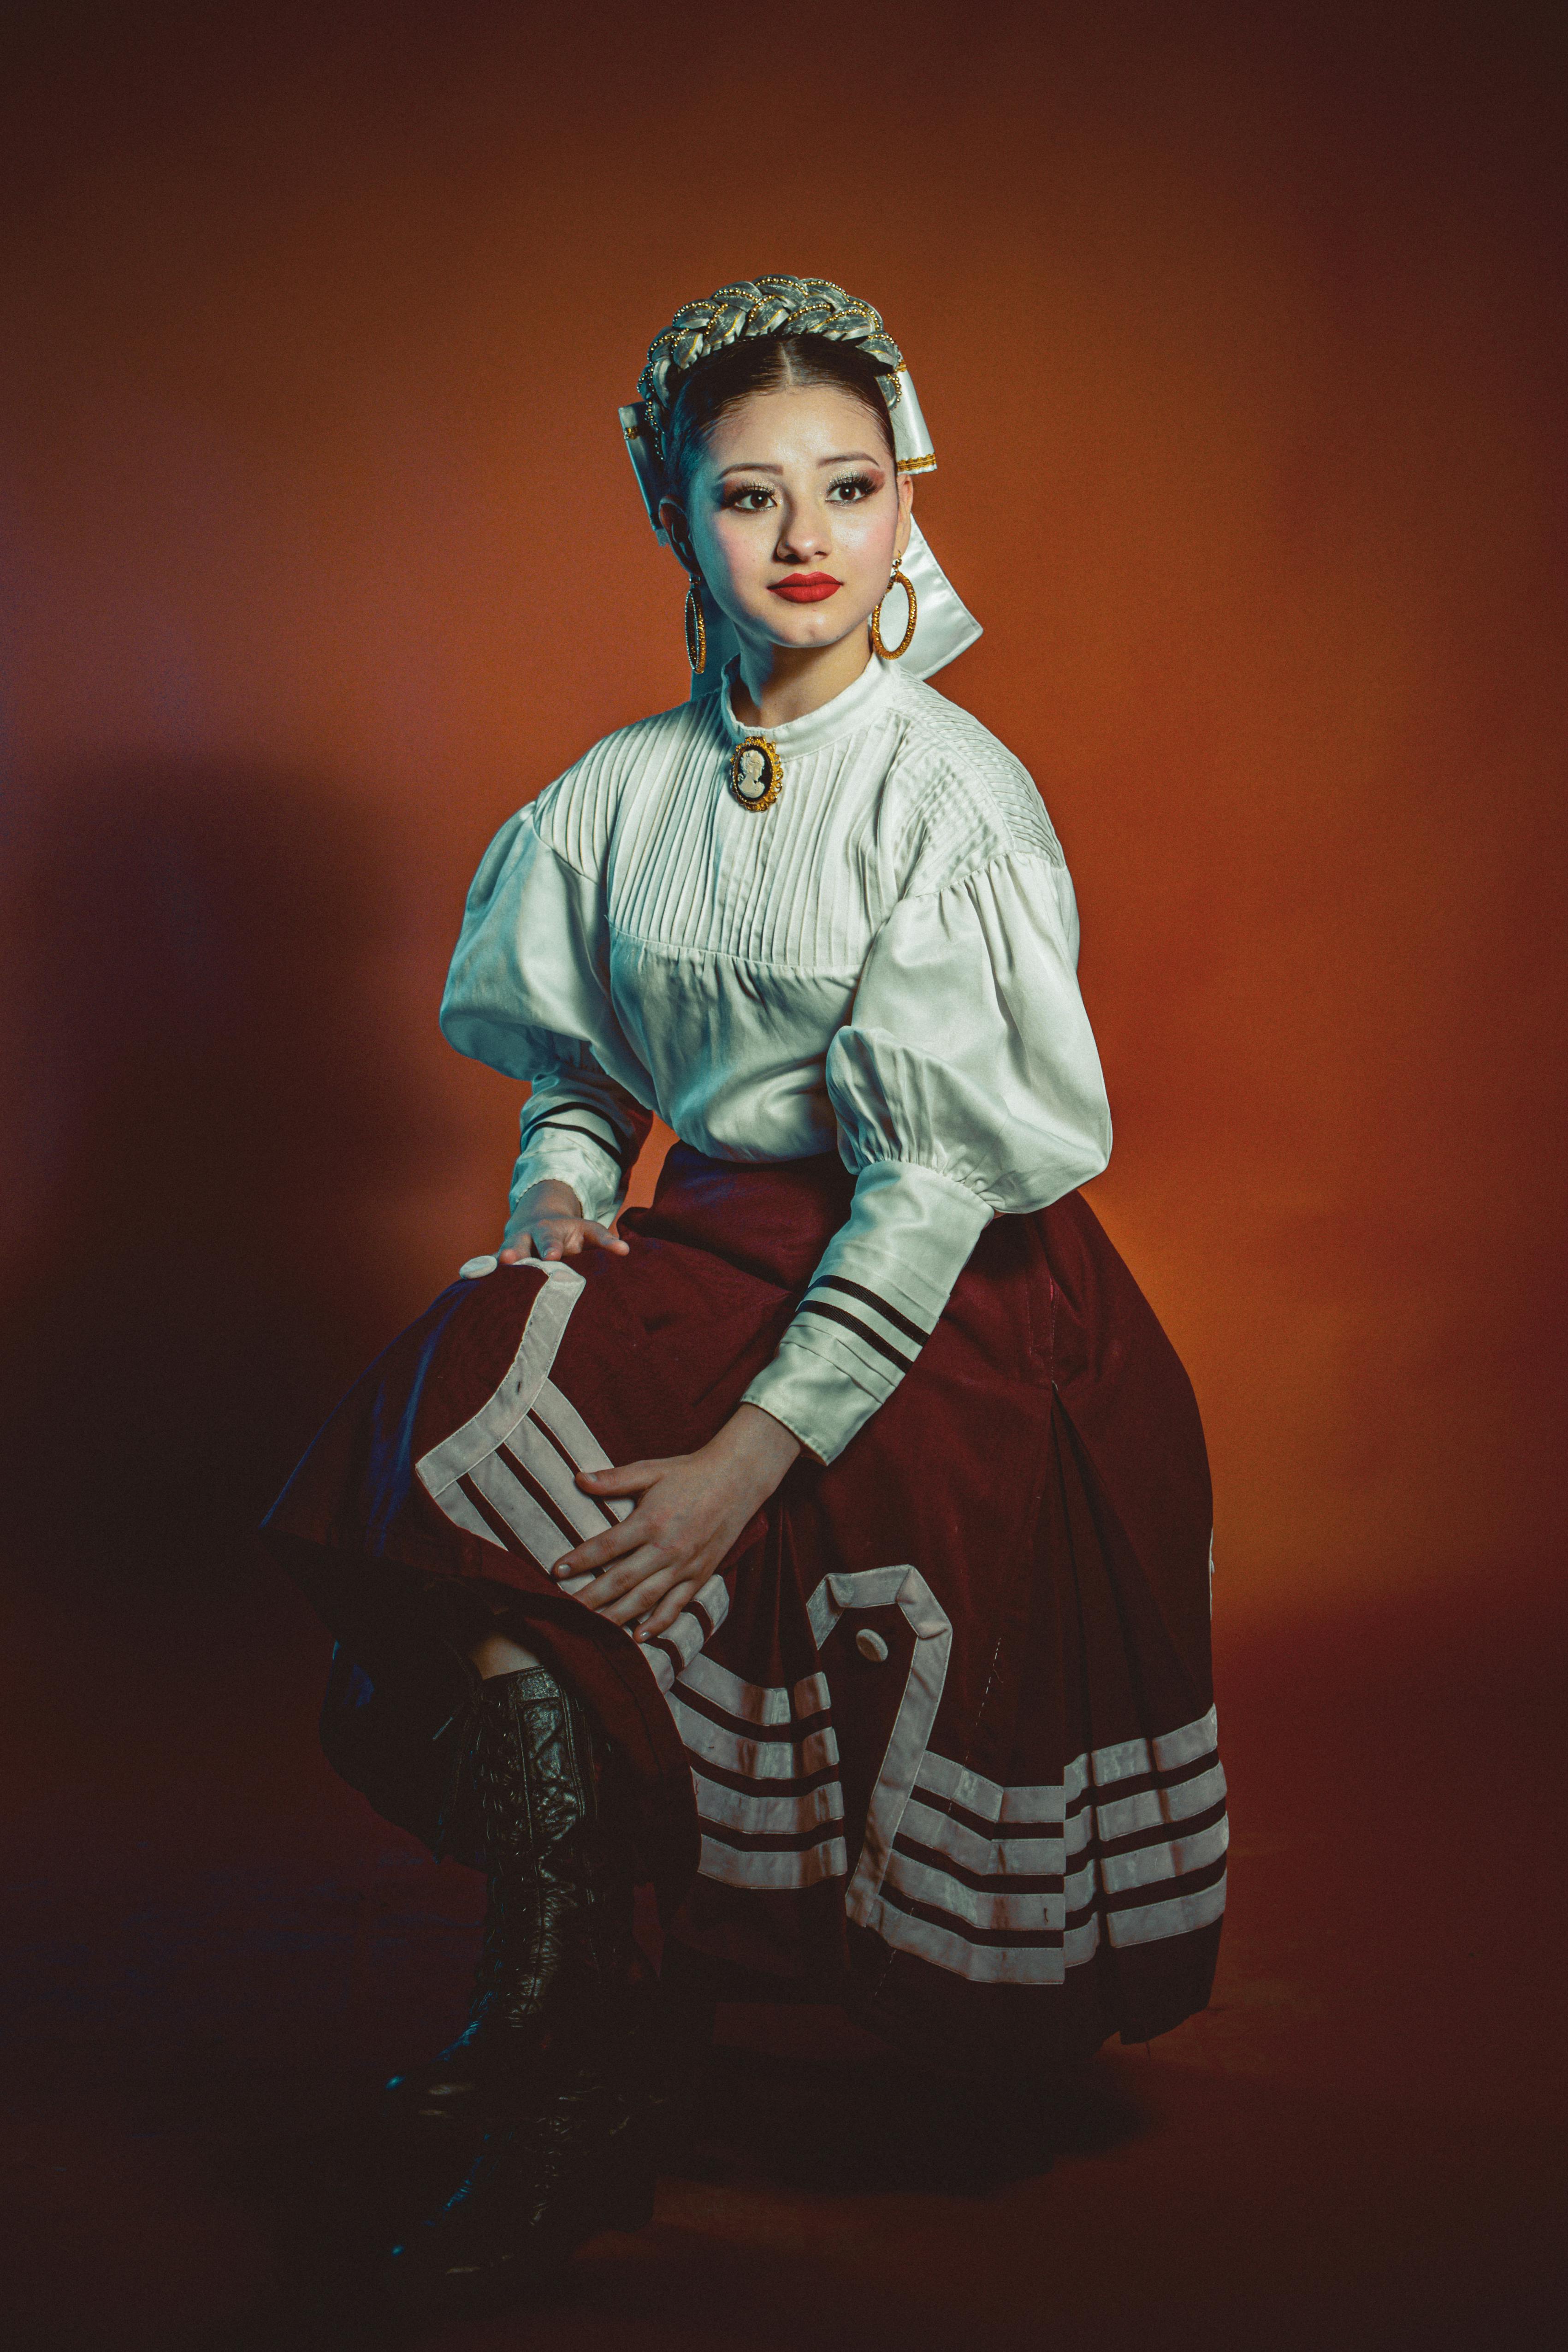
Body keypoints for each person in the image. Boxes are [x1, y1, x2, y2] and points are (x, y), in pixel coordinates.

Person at [264, 274, 1226, 2316]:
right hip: (706, 1240)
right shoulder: (618, 791)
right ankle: (566, 2029)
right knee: (474, 1425)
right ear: (669, 514)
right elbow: (588, 1066)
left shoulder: (944, 793)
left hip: (938, 1279)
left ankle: (580, 2053)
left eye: (849, 489)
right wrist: (552, 1185)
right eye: (747, 498)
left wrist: (735, 1463)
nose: (803, 541)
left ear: (908, 501)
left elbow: (942, 1167)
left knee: (649, 1518)